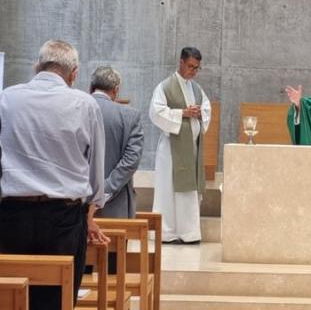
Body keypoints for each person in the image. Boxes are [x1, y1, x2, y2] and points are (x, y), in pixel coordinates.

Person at [0, 39, 109, 310]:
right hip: (64, 218)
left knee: (10, 297)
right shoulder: (85, 105)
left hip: (12, 215)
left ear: (37, 66)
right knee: (56, 299)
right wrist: (91, 210)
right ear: (74, 74)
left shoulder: (6, 98)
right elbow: (96, 172)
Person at [149, 47, 211, 244]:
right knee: (168, 190)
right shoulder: (165, 87)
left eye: (197, 68)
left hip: (190, 148)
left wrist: (200, 112)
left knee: (188, 190)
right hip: (170, 148)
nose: (193, 71)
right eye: (191, 66)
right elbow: (156, 113)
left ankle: (189, 233)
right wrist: (182, 113)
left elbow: (208, 110)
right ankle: (166, 232)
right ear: (181, 62)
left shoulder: (197, 89)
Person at [90, 66, 144, 219]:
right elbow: (131, 160)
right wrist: (105, 189)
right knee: (115, 243)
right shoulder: (130, 116)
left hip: (77, 201)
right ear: (116, 90)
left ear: (91, 87)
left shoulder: (75, 109)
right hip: (116, 204)